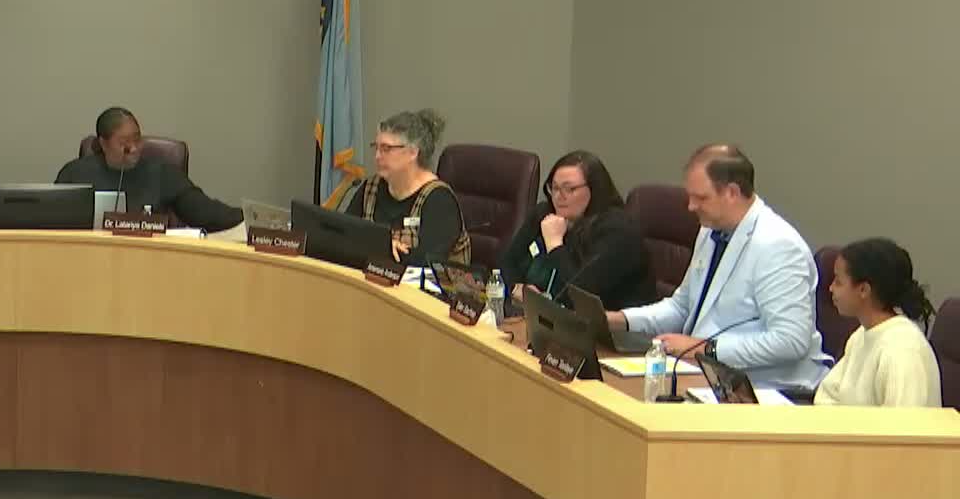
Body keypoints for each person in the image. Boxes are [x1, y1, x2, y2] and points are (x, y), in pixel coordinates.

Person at [609, 145, 826, 391]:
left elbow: (790, 341)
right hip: (706, 374)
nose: (691, 206)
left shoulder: (778, 246)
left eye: (701, 198)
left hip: (767, 387)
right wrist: (621, 320)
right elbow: (682, 306)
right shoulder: (710, 231)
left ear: (732, 192)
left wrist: (704, 348)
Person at [500, 150, 654, 309]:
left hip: (609, 321)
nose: (559, 196)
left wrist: (555, 245)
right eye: (554, 188)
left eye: (569, 189)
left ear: (595, 189)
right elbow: (507, 261)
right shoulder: (545, 214)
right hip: (547, 316)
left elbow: (581, 294)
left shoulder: (617, 231)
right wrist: (517, 288)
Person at [53, 107, 242, 232]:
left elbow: (208, 213)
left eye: (137, 139)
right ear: (103, 143)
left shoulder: (161, 174)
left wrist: (250, 219)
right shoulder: (74, 174)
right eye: (124, 143)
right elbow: (52, 223)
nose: (134, 148)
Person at [814, 239, 941, 407]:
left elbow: (905, 421)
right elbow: (826, 397)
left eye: (838, 281)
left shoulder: (902, 350)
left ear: (863, 290)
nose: (830, 288)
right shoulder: (861, 335)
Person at [339, 109, 470, 265]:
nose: (377, 156)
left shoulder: (439, 200)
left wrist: (381, 248)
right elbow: (343, 236)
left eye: (386, 149)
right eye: (376, 147)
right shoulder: (370, 188)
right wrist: (381, 247)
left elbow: (427, 263)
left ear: (413, 152)